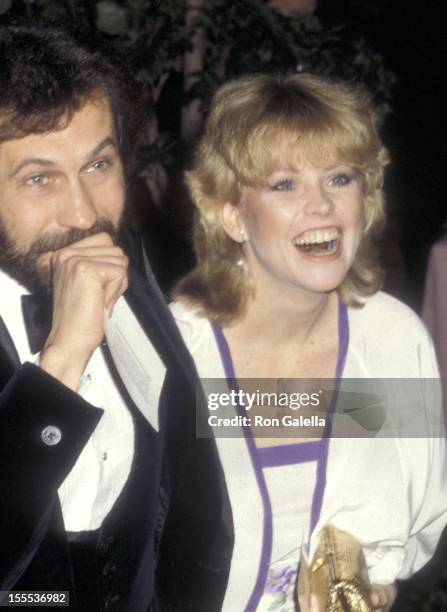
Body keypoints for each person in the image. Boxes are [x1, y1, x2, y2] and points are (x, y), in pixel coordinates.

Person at [171, 74, 447, 611]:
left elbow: (421, 518)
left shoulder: (394, 339)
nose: (321, 206)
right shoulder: (172, 352)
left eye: (340, 178)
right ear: (232, 215)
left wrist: (376, 580)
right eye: (284, 184)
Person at [0, 23, 232, 611]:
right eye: (38, 178)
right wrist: (62, 361)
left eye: (99, 166)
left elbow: (187, 465)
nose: (82, 214)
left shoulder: (122, 249)